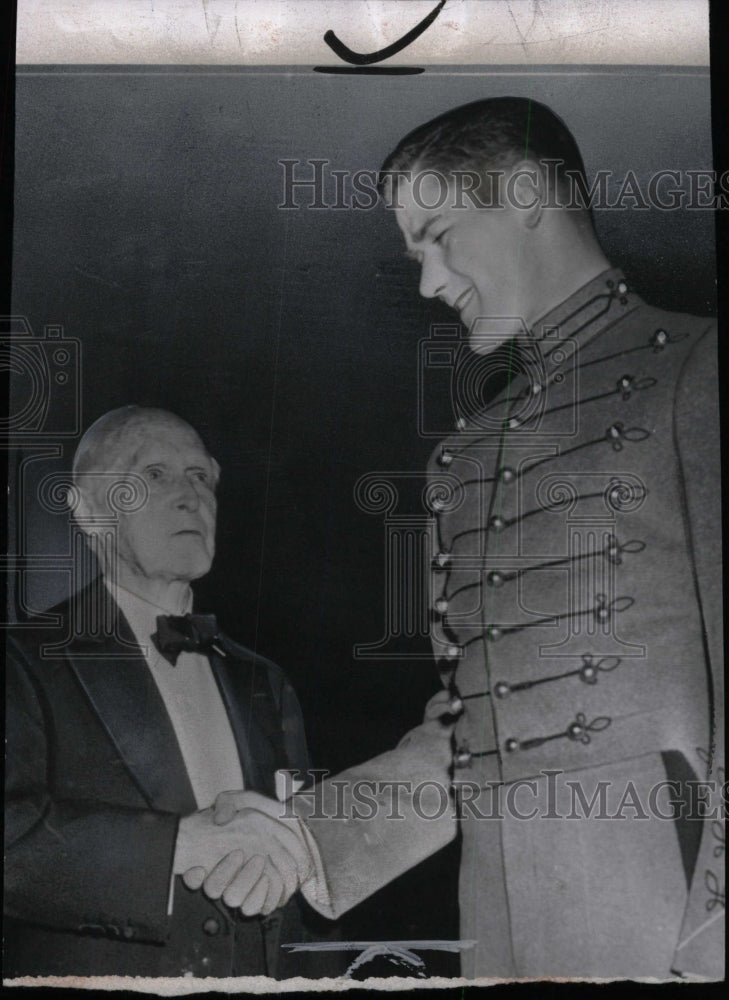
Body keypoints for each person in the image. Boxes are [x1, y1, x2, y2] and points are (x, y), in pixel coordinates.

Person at [207, 98, 724, 980]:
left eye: (438, 236)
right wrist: (307, 839)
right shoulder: (467, 454)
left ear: (526, 192)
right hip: (498, 907)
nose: (427, 282)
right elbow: (473, 728)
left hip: (664, 902)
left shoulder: (695, 372)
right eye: (414, 253)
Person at [4, 405, 335, 979]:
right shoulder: (21, 660)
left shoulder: (265, 681)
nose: (190, 496)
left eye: (200, 476)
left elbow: (312, 868)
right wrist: (178, 845)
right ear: (88, 511)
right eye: (154, 475)